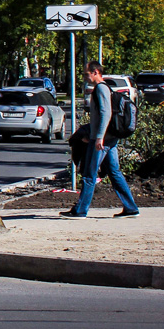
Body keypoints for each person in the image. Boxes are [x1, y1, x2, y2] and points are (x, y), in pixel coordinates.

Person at [63, 61, 140, 219]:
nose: (85, 77)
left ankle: (80, 211)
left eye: (86, 74)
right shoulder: (103, 89)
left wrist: (99, 137)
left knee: (89, 175)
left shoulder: (101, 89)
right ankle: (131, 208)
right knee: (114, 172)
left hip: (102, 141)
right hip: (108, 139)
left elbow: (106, 114)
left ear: (96, 72)